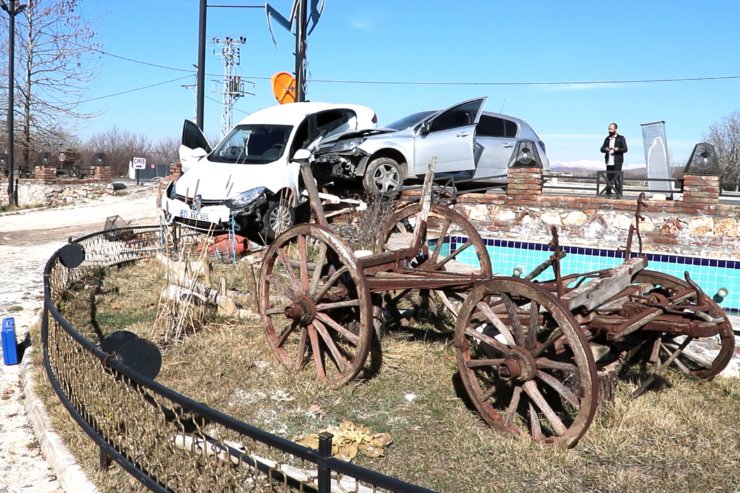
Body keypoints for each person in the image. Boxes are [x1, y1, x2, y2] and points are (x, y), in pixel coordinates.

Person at [600, 123, 628, 197]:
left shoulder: (621, 138)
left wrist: (618, 149)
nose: (610, 130)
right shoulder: (607, 139)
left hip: (617, 161)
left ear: (615, 129)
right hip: (609, 161)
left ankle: (618, 193)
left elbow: (625, 149)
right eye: (609, 129)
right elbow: (601, 149)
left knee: (617, 177)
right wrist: (605, 149)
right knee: (608, 178)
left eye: (611, 129)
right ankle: (608, 193)